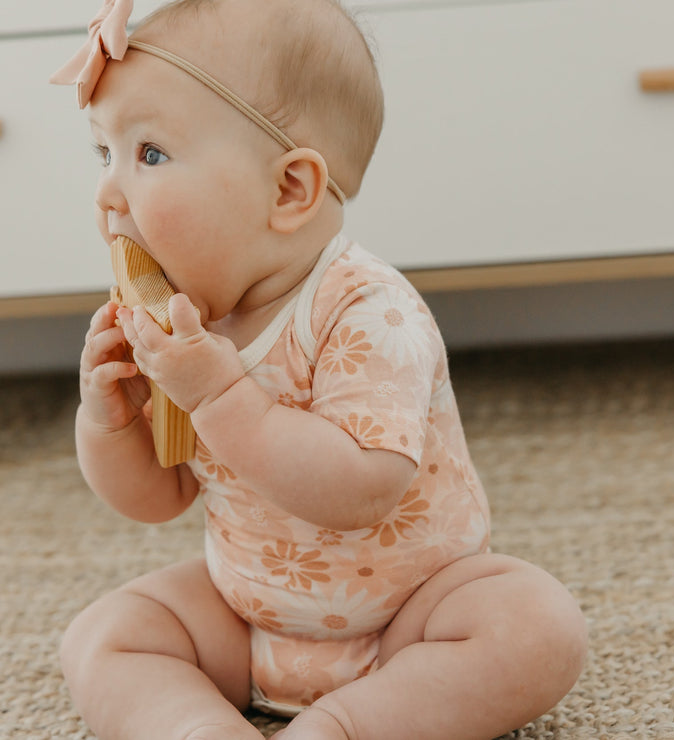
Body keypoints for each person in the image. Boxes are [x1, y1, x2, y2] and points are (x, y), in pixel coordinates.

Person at [54, 0, 588, 738]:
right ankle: (196, 728)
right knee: (104, 635)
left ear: (288, 191)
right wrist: (108, 423)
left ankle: (348, 725)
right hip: (247, 615)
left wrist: (217, 395)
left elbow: (361, 489)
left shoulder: (369, 311)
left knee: (534, 627)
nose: (108, 194)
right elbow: (162, 493)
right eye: (101, 154)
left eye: (148, 154)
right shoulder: (188, 317)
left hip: (413, 617)